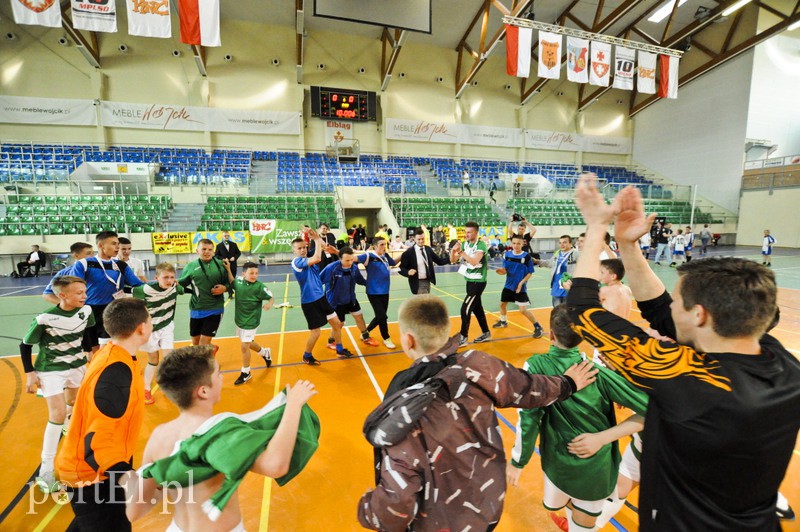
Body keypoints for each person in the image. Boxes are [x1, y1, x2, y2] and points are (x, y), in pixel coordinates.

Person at [568, 173, 800, 531]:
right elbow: (661, 311)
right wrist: (628, 247)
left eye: (680, 300)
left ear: (699, 315)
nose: (671, 305)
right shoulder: (780, 361)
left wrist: (597, 227)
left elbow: (582, 310)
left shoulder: (686, 376)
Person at [358, 295, 599, 531]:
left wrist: (368, 509)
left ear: (408, 340)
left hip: (437, 521)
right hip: (485, 504)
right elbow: (530, 388)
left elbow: (397, 504)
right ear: (446, 329)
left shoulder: (403, 406)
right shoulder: (478, 364)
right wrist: (569, 383)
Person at [121, 346, 319, 531]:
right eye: (218, 374)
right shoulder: (221, 428)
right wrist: (293, 405)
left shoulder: (159, 436)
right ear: (203, 391)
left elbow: (134, 511)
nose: (222, 378)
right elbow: (276, 465)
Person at [507, 305, 648, 532]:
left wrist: (518, 460)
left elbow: (529, 418)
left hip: (559, 460)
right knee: (584, 519)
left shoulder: (535, 366)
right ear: (584, 336)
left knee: (575, 514)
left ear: (551, 334)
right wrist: (603, 437)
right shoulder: (596, 372)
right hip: (596, 465)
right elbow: (653, 408)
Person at [55, 298, 153, 531]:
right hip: (93, 476)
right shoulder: (115, 371)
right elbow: (97, 440)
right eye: (150, 320)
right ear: (141, 328)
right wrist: (127, 478)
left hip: (101, 468)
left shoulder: (115, 354)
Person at [21, 276, 93, 493]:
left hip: (77, 365)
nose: (84, 296)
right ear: (63, 296)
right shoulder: (44, 318)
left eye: (84, 291)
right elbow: (24, 345)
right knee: (57, 414)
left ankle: (65, 426)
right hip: (51, 369)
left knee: (74, 404)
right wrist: (30, 373)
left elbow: (87, 333)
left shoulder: (86, 311)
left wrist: (90, 355)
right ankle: (46, 472)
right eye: (79, 293)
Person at [59, 231, 144, 352]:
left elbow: (138, 284)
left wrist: (161, 284)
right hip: (88, 311)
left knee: (108, 347)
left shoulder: (121, 265)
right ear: (100, 245)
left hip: (111, 311)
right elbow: (74, 287)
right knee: (92, 350)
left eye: (118, 244)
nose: (117, 247)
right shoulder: (84, 264)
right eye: (114, 244)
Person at [290, 230, 349, 365]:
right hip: (310, 302)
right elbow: (317, 258)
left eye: (305, 247)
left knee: (337, 323)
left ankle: (339, 348)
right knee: (316, 332)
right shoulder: (296, 262)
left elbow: (322, 247)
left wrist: (316, 237)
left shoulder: (307, 258)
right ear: (294, 251)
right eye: (299, 248)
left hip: (321, 298)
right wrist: (316, 240)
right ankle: (307, 355)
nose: (303, 250)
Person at [132, 262, 186, 405]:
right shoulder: (145, 289)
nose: (169, 280)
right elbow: (133, 297)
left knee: (169, 358)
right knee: (153, 360)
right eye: (165, 277)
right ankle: (146, 388)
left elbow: (180, 290)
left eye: (172, 277)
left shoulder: (174, 286)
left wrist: (178, 285)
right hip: (150, 330)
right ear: (156, 277)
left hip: (167, 326)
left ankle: (168, 385)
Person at [222, 261, 274, 386]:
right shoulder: (239, 282)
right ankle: (264, 352)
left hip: (252, 320)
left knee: (244, 346)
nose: (254, 275)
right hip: (240, 320)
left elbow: (271, 297)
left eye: (256, 273)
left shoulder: (260, 287)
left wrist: (269, 304)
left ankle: (246, 372)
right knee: (248, 343)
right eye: (251, 273)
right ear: (244, 273)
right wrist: (228, 269)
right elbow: (232, 282)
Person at [178, 239, 231, 353]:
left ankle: (209, 369)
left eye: (210, 250)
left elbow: (231, 284)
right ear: (197, 250)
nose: (207, 252)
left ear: (213, 251)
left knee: (202, 346)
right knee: (196, 344)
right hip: (196, 309)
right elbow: (181, 285)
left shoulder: (221, 265)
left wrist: (224, 288)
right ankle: (212, 348)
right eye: (204, 249)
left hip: (215, 309)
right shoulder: (190, 267)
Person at [318, 247, 371, 352]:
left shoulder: (354, 268)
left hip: (351, 298)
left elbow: (360, 280)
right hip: (336, 301)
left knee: (359, 316)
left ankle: (366, 337)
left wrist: (369, 284)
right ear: (340, 258)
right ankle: (331, 341)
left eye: (351, 259)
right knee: (339, 324)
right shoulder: (331, 268)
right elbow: (318, 281)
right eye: (347, 260)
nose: (350, 262)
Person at [493, 233, 545, 338]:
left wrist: (521, 283)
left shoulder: (526, 257)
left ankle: (538, 326)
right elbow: (505, 271)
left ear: (523, 244)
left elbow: (530, 272)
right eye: (514, 243)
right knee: (502, 304)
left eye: (518, 244)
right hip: (508, 285)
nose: (516, 246)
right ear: (511, 243)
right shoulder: (507, 255)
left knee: (523, 310)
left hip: (520, 287)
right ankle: (503, 321)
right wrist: (500, 271)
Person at [450, 221, 491, 346]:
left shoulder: (481, 246)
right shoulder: (465, 244)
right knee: (477, 309)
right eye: (465, 232)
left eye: (469, 232)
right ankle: (486, 333)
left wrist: (461, 252)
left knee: (465, 309)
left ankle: (463, 337)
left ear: (476, 232)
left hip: (478, 282)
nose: (466, 234)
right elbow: (453, 260)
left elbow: (474, 261)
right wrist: (453, 251)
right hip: (469, 281)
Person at [357, 237, 398, 349]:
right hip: (373, 291)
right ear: (374, 246)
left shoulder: (385, 257)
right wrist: (337, 252)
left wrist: (406, 253)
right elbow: (354, 259)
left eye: (385, 244)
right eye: (381, 245)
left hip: (385, 291)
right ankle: (386, 338)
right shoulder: (368, 256)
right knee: (382, 316)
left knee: (380, 316)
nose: (384, 247)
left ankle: (365, 332)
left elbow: (394, 262)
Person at [398, 228, 451, 295]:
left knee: (423, 304)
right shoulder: (409, 253)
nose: (421, 241)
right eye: (419, 239)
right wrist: (408, 272)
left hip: (427, 282)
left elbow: (439, 261)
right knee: (425, 304)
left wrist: (450, 259)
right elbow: (400, 269)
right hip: (418, 283)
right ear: (414, 239)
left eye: (422, 239)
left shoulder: (428, 249)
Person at [540, 235, 577, 307]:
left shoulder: (576, 254)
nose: (562, 245)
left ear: (570, 243)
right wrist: (537, 261)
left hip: (568, 287)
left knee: (568, 313)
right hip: (556, 287)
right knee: (557, 312)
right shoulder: (558, 253)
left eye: (564, 242)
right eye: (560, 243)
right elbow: (550, 263)